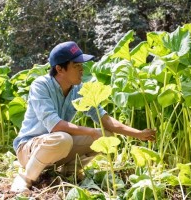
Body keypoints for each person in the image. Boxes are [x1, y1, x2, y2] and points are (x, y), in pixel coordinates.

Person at [10, 41, 156, 193]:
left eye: (82, 65)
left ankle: (69, 172)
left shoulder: (78, 88)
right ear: (60, 69)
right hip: (28, 149)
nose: (82, 70)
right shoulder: (41, 86)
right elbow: (55, 126)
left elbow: (103, 117)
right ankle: (25, 178)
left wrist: (138, 134)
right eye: (76, 66)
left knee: (104, 136)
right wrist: (91, 131)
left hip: (57, 149)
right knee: (63, 138)